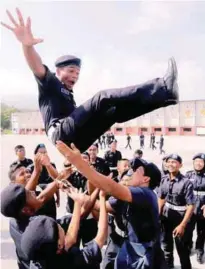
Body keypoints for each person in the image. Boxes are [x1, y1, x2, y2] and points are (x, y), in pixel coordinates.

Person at [1, 9, 178, 153]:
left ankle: (165, 98)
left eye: (77, 73)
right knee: (102, 97)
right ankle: (162, 85)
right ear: (58, 71)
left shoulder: (69, 95)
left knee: (113, 111)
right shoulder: (50, 84)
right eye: (71, 71)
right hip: (60, 133)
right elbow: (36, 66)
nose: (75, 76)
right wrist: (26, 44)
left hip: (75, 143)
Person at [56, 141, 168, 269]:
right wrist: (77, 195)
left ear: (146, 179)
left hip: (145, 253)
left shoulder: (145, 194)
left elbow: (109, 186)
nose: (131, 172)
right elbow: (100, 205)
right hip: (131, 248)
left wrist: (78, 162)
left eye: (137, 171)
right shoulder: (131, 196)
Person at [20, 188, 108, 269]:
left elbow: (71, 239)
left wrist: (77, 203)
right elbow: (100, 238)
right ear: (59, 246)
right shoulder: (74, 261)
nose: (60, 226)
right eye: (59, 228)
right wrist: (102, 197)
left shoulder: (41, 257)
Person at [158, 154, 195, 269]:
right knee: (166, 247)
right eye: (169, 162)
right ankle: (169, 266)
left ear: (180, 165)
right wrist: (158, 215)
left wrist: (182, 225)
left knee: (182, 250)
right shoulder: (164, 179)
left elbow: (190, 206)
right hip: (166, 217)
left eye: (174, 162)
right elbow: (161, 198)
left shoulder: (186, 183)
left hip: (181, 218)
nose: (171, 164)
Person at [186, 153, 205, 264]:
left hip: (203, 208)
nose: (198, 163)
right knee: (188, 229)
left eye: (201, 161)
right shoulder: (188, 175)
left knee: (202, 232)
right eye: (196, 161)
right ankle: (188, 246)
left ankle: (199, 250)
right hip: (191, 207)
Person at [29, 143, 60, 208]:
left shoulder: (52, 166)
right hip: (36, 199)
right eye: (41, 152)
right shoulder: (31, 168)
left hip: (50, 198)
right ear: (36, 155)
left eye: (45, 152)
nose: (43, 154)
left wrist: (58, 197)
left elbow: (56, 181)